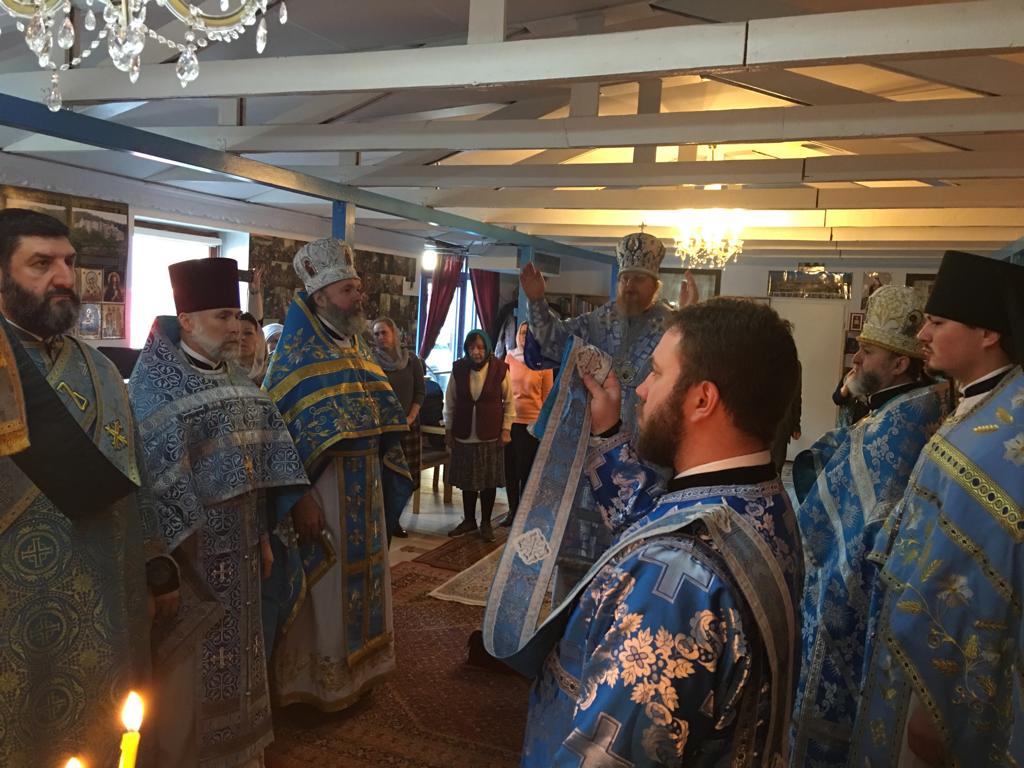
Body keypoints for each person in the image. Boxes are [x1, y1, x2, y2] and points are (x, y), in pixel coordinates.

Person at [506, 298, 803, 766]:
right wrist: (607, 431)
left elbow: (608, 757)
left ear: (702, 399)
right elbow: (660, 519)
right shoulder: (762, 501)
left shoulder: (672, 576)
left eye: (657, 373)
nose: (641, 388)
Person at [0, 209, 176, 767]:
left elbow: (136, 476)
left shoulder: (100, 370)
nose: (64, 278)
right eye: (41, 263)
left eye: (69, 262)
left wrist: (157, 567)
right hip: (13, 613)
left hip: (108, 602)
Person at [129, 256, 309, 767]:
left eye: (236, 315)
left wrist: (264, 536)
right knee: (189, 668)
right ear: (187, 321)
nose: (235, 327)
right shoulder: (155, 386)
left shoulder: (236, 378)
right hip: (188, 557)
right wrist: (165, 568)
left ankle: (239, 753)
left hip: (244, 548)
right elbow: (150, 486)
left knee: (242, 653)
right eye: (222, 317)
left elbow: (260, 467)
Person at [851, 251, 1024, 768]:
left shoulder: (1004, 432)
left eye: (938, 322)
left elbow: (983, 577)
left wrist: (939, 704)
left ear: (988, 333)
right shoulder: (980, 402)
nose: (922, 335)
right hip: (916, 642)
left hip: (943, 672)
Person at [789, 286, 950, 768]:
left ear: (900, 364)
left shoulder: (907, 416)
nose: (856, 359)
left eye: (868, 351)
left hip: (855, 588)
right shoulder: (903, 403)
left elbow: (858, 505)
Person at [264, 238, 413, 712]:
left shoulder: (358, 348)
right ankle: (320, 684)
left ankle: (362, 674)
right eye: (348, 290)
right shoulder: (294, 360)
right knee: (326, 594)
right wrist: (298, 497)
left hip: (366, 487)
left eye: (358, 287)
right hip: (324, 493)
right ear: (321, 296)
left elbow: (382, 419)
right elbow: (277, 438)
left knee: (368, 580)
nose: (358, 297)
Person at [521, 231, 696, 433]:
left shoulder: (671, 324)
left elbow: (690, 366)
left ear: (655, 285)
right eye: (625, 279)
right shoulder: (600, 319)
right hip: (598, 431)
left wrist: (690, 317)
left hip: (649, 431)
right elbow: (555, 342)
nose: (629, 286)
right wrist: (537, 301)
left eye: (638, 279)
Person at [445, 328, 515, 543]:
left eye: (481, 347)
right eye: (472, 347)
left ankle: (485, 522)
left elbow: (509, 401)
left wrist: (506, 429)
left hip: (490, 435)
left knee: (488, 481)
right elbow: (450, 401)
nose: (476, 352)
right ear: (466, 348)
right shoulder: (458, 369)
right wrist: (448, 430)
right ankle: (468, 520)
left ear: (487, 348)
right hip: (464, 433)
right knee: (467, 480)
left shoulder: (500, 369)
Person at [373, 315, 425, 539]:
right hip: (384, 430)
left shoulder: (411, 360)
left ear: (394, 333)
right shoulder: (371, 362)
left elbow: (420, 391)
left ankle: (395, 518)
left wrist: (411, 417)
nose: (380, 337)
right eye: (376, 334)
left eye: (384, 332)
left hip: (408, 426)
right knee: (386, 476)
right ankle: (385, 519)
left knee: (406, 476)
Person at [503, 321, 553, 527]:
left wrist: (544, 426)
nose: (524, 337)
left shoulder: (543, 363)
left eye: (529, 333)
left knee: (526, 470)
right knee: (509, 469)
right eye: (522, 333)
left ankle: (524, 514)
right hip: (510, 421)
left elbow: (547, 397)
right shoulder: (509, 358)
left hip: (532, 424)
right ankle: (512, 510)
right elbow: (504, 391)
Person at [239, 310, 268, 384]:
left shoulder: (272, 376)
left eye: (248, 333)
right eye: (236, 333)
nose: (242, 337)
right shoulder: (220, 374)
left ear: (259, 338)